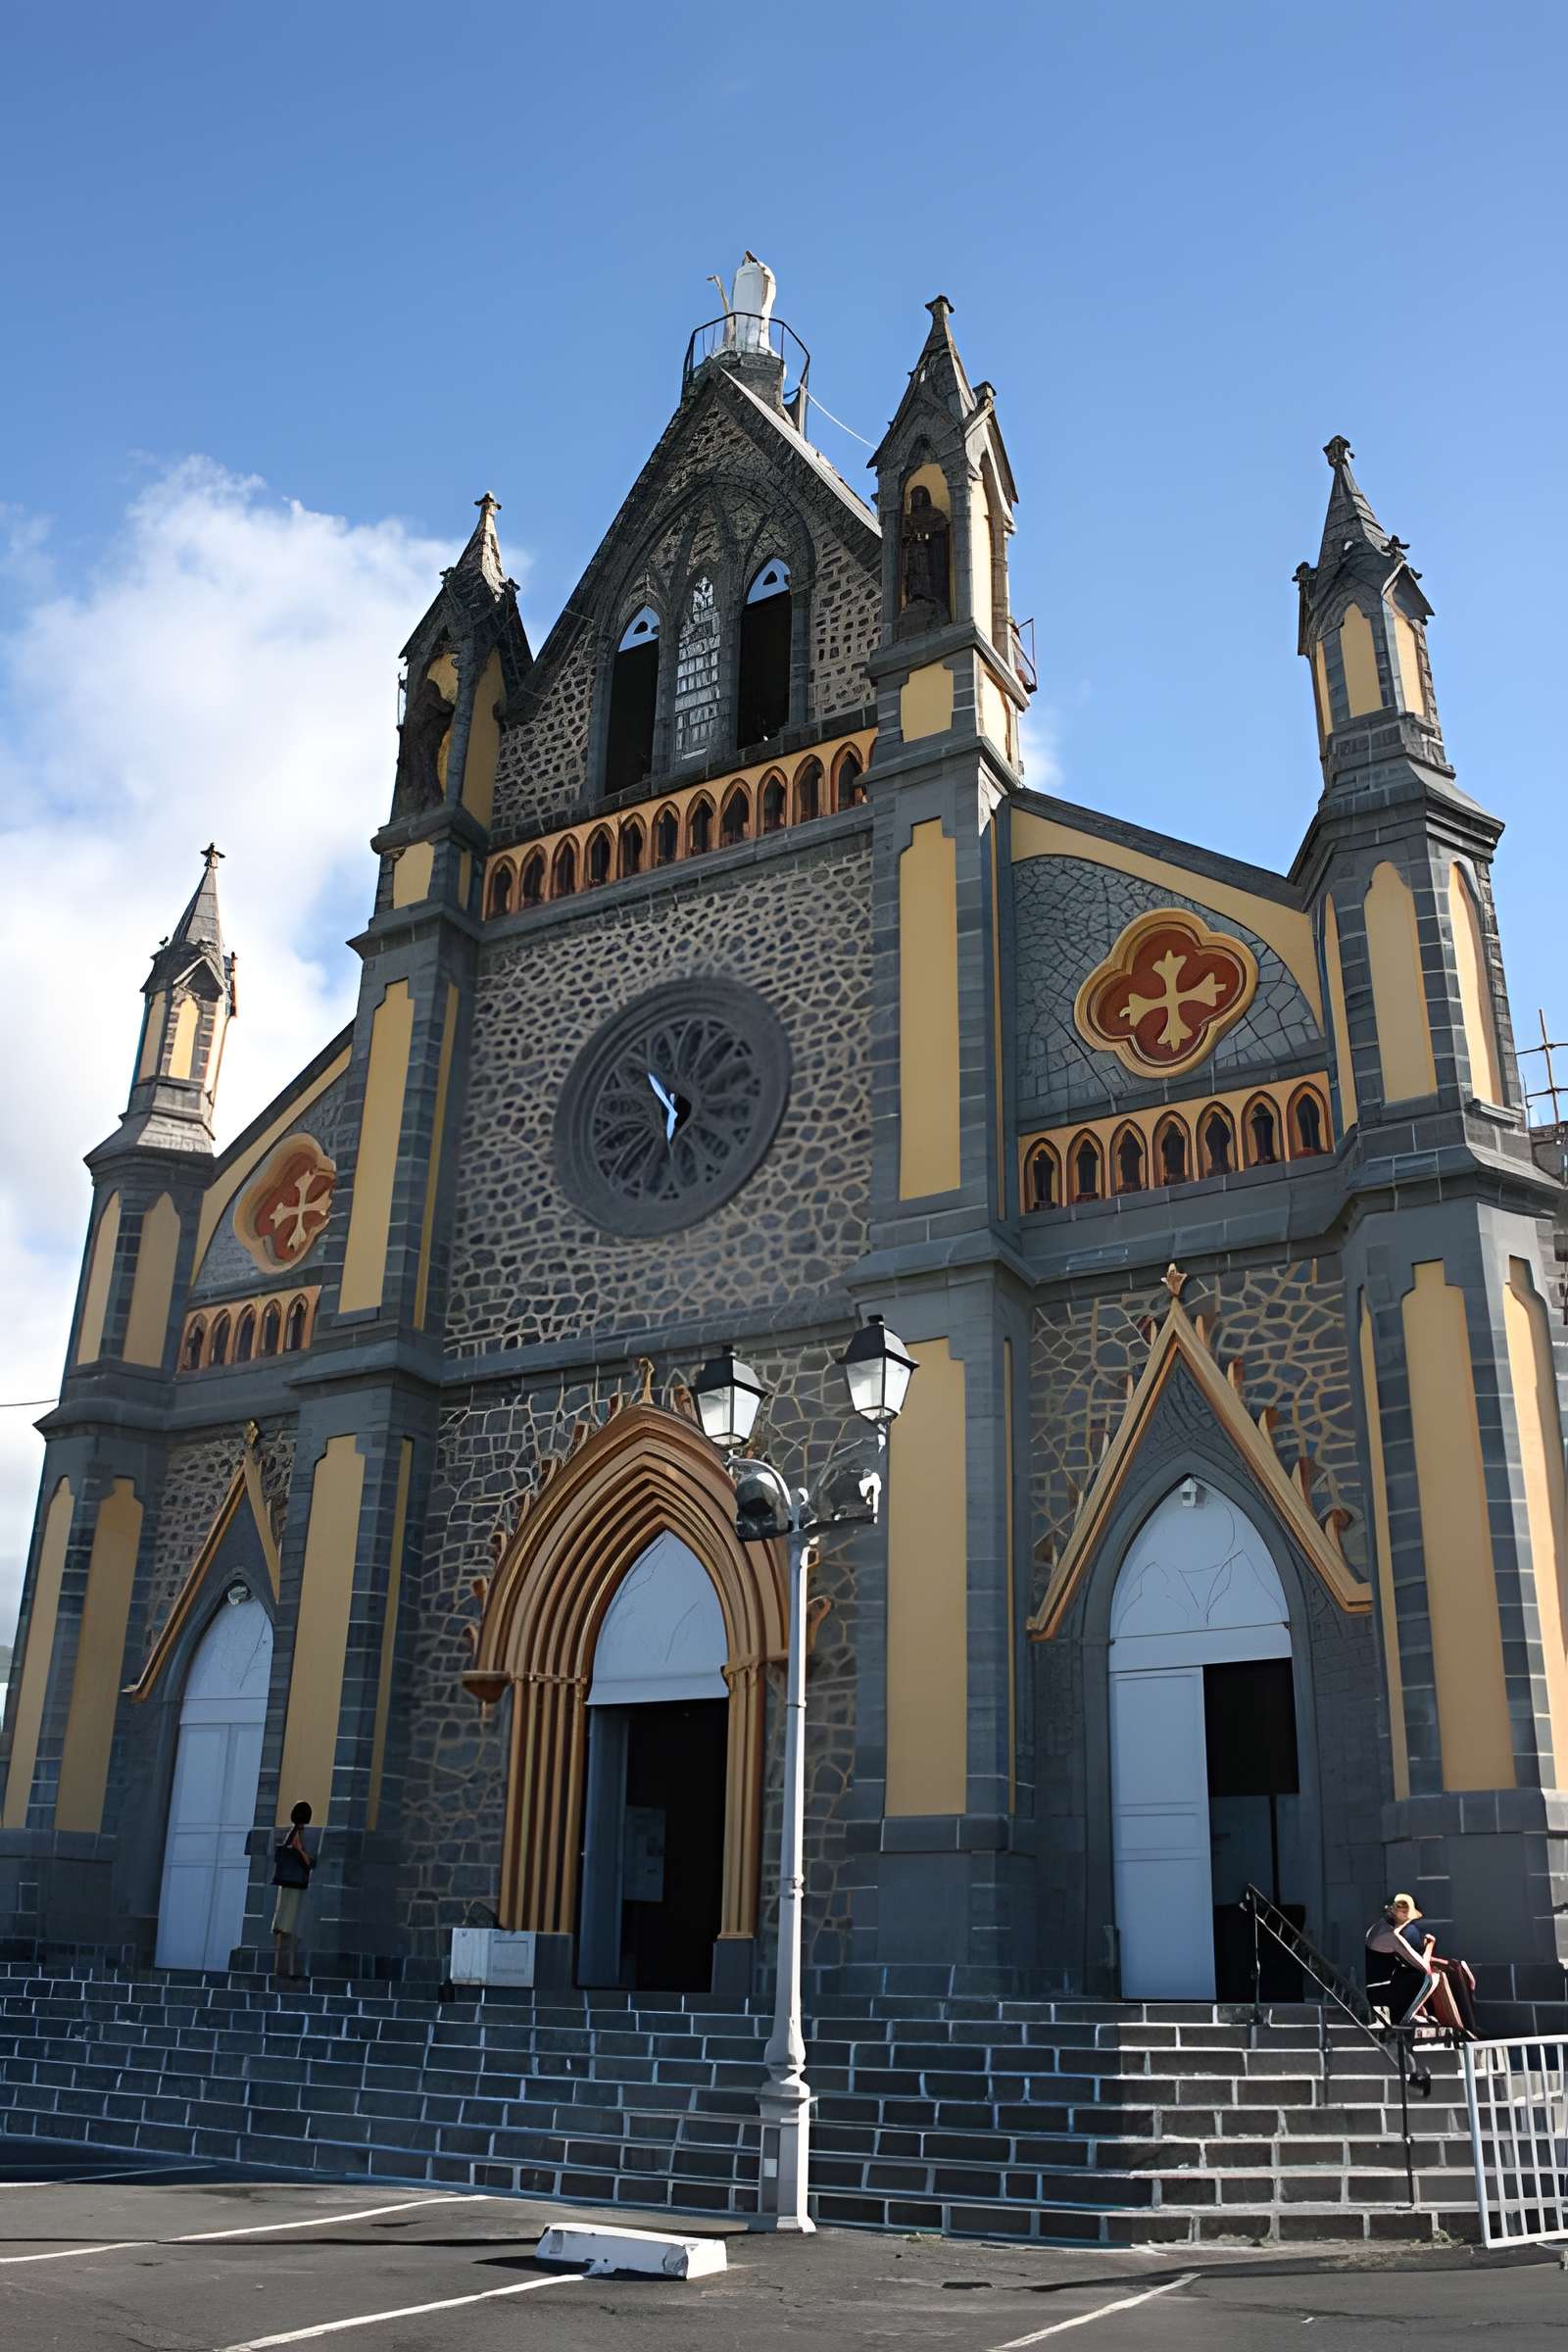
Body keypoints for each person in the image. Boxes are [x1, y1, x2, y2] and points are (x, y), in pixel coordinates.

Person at [1365, 1892, 1479, 2040]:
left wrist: (1445, 1963)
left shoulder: (1379, 1928)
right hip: (1381, 1996)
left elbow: (1408, 1959)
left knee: (1416, 1972)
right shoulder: (1392, 1937)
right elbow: (1423, 1968)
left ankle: (1432, 2016)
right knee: (1430, 1977)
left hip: (1377, 1990)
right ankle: (1407, 2017)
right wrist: (1430, 1945)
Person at [271, 1800, 315, 1982]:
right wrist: (306, 1855)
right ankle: (289, 1969)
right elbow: (305, 1860)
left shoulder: (291, 1833)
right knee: (290, 1926)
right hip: (295, 1884)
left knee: (283, 1926)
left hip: (287, 1883)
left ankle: (281, 1967)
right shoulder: (298, 1834)